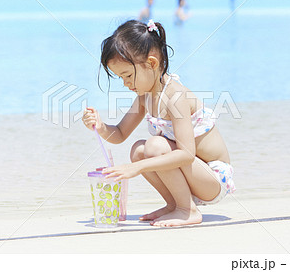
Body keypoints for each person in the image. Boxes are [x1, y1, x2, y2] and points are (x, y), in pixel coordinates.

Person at [82, 19, 235, 227]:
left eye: (127, 75)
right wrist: (100, 126)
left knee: (154, 145)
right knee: (138, 149)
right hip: (193, 175)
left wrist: (136, 169)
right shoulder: (145, 97)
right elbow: (119, 134)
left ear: (152, 64)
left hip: (213, 179)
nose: (126, 84)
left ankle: (187, 210)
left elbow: (187, 154)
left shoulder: (175, 96)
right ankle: (175, 204)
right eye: (121, 78)